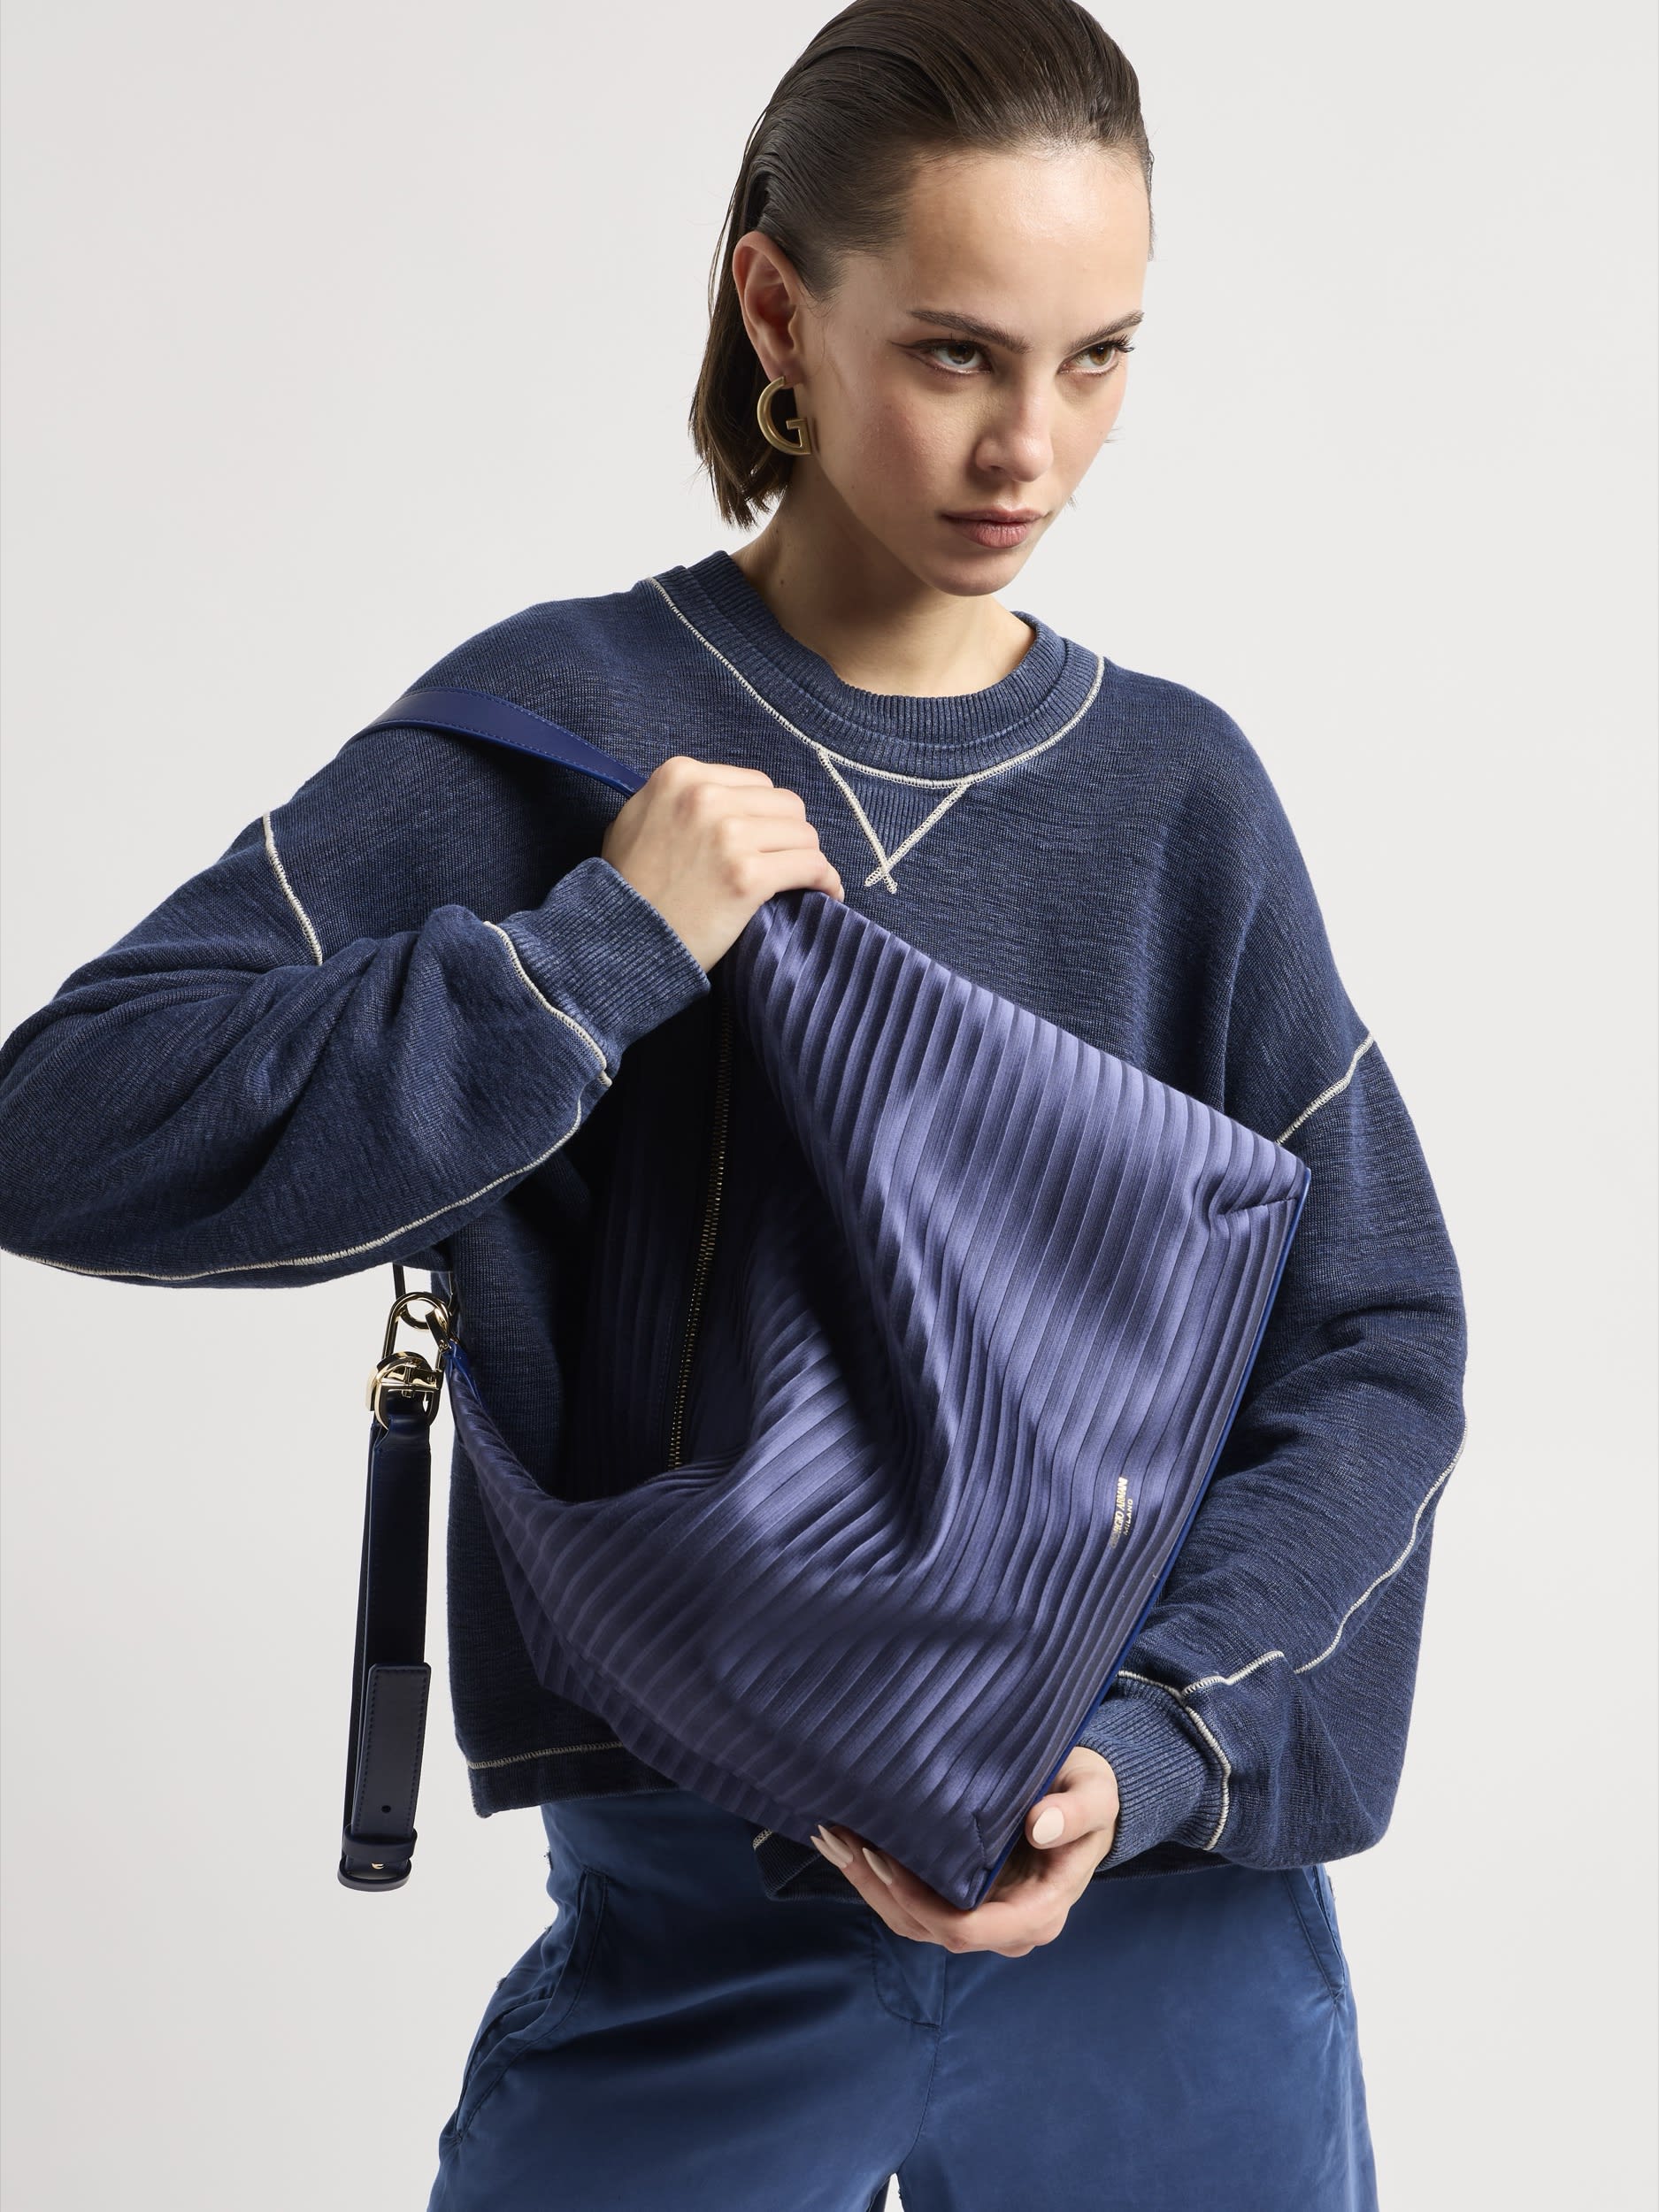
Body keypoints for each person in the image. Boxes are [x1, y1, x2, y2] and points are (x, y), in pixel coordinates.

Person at [0, 2, 1467, 2205]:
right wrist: (591, 957)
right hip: (698, 1906)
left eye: (1096, 358)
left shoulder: (1175, 798)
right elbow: (63, 1122)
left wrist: (1152, 1743)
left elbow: (1375, 1332)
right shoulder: (556, 727)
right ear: (778, 308)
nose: (1031, 449)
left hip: (1158, 1935)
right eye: (955, 353)